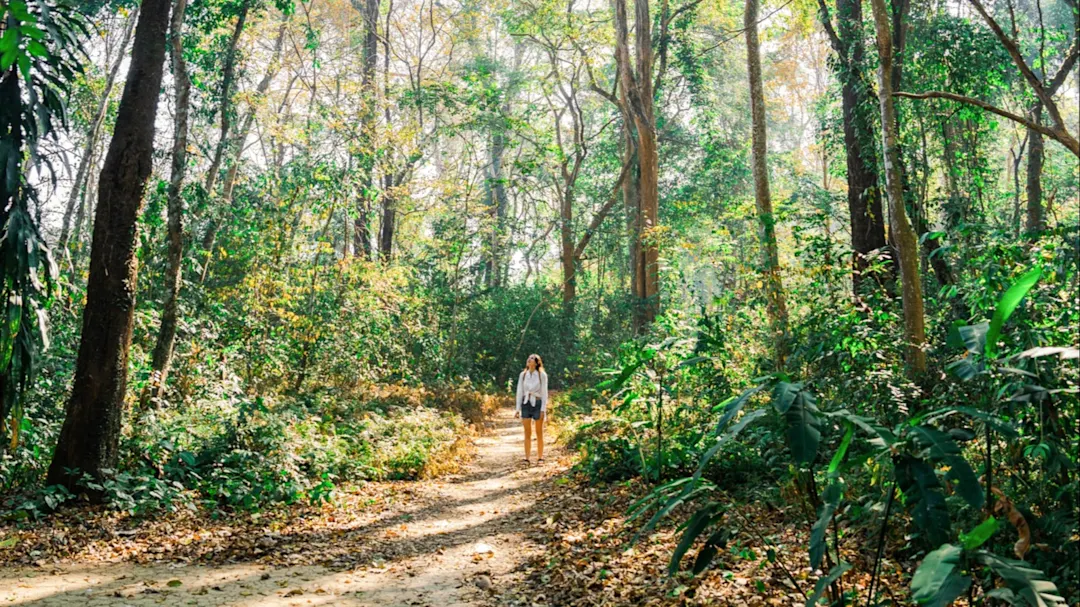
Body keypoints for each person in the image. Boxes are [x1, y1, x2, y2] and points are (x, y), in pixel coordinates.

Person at [515, 353, 549, 464]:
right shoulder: (523, 375)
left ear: (537, 362)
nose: (529, 360)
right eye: (529, 358)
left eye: (532, 358)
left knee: (539, 432)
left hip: (537, 403)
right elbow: (519, 392)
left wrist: (543, 409)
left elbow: (544, 393)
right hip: (526, 403)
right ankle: (527, 458)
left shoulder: (541, 375)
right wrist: (517, 408)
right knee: (527, 432)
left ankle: (540, 457)